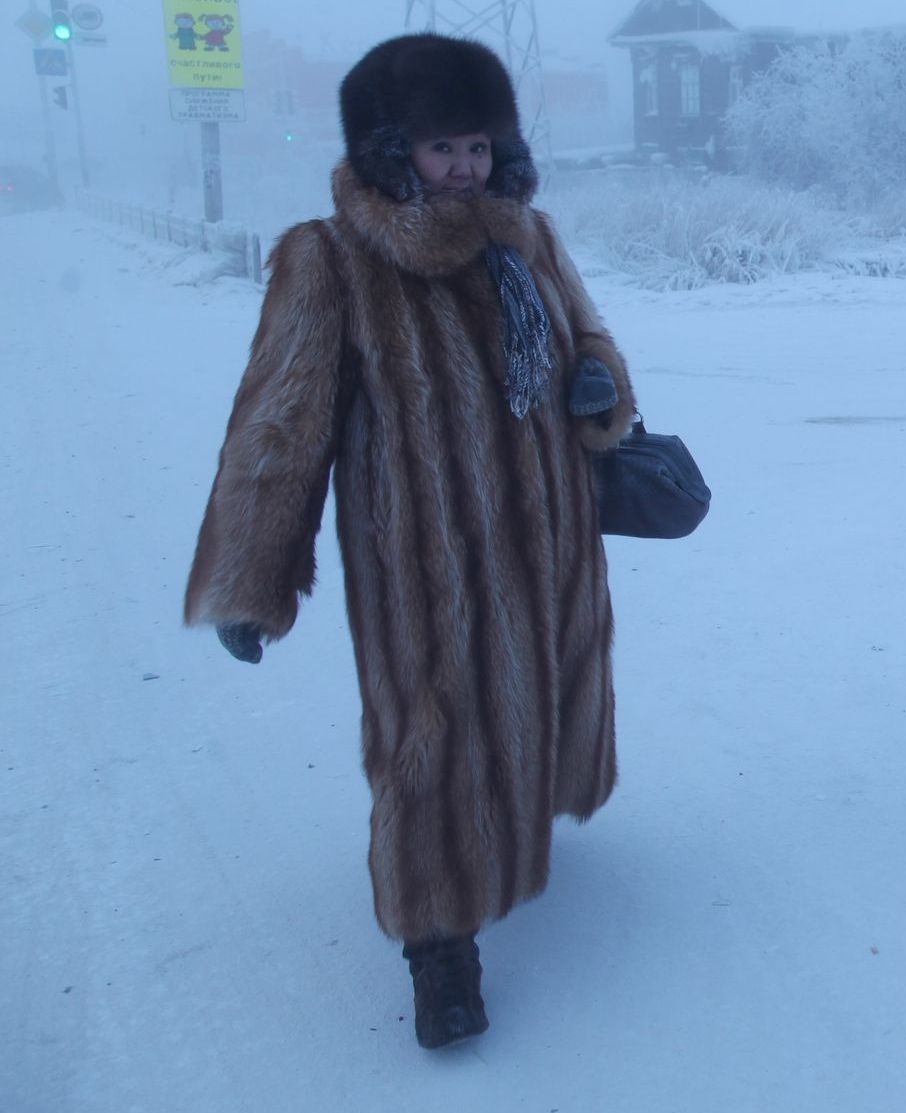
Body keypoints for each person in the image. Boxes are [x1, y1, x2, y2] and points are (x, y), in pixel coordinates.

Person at [183, 34, 636, 1050]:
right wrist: (252, 579)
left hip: (554, 540)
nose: (466, 167)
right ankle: (439, 951)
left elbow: (593, 341)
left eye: (478, 145)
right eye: (443, 149)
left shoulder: (529, 239)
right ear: (393, 152)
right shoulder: (332, 258)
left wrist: (600, 387)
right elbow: (280, 423)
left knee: (545, 696)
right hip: (424, 563)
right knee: (428, 745)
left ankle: (528, 824)